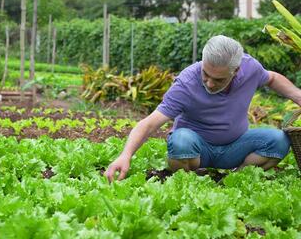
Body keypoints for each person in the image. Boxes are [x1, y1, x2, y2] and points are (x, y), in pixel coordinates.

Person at [105, 35, 301, 182]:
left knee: (279, 140)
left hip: (235, 147)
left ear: (236, 70)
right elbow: (149, 123)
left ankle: (233, 179)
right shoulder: (186, 83)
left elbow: (272, 78)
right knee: (181, 140)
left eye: (219, 79)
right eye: (206, 74)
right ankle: (189, 181)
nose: (209, 83)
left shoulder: (250, 68)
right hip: (197, 151)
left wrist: (298, 97)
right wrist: (125, 155)